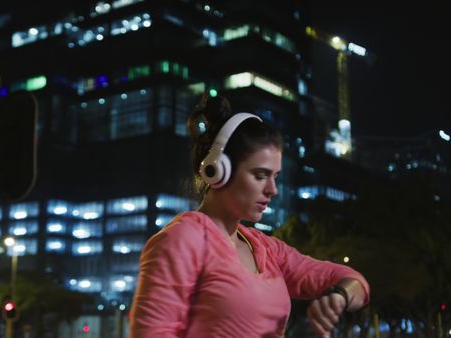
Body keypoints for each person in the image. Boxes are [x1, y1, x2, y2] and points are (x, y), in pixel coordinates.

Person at [129, 95, 370, 338]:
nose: (272, 190)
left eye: (275, 176)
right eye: (260, 175)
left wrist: (339, 296)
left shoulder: (265, 248)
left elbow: (354, 281)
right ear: (218, 170)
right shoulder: (182, 240)